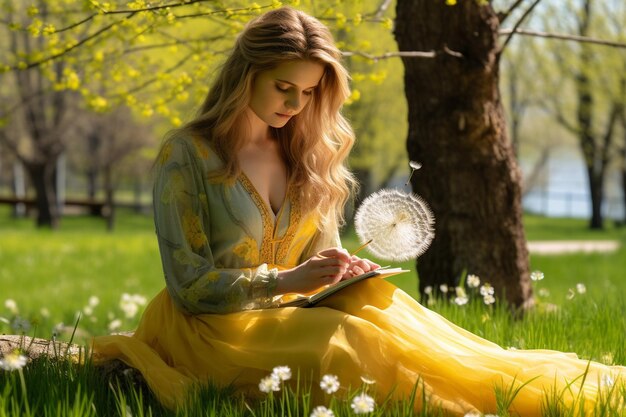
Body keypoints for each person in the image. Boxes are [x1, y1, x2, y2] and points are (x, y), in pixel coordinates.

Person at [93, 6, 624, 416]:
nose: (296, 105)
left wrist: (339, 268)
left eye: (307, 92)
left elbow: (319, 255)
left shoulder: (305, 154)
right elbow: (188, 284)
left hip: (289, 308)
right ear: (245, 74)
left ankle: (520, 388)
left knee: (389, 310)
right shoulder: (186, 154)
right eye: (284, 87)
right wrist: (288, 279)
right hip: (209, 327)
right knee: (352, 346)